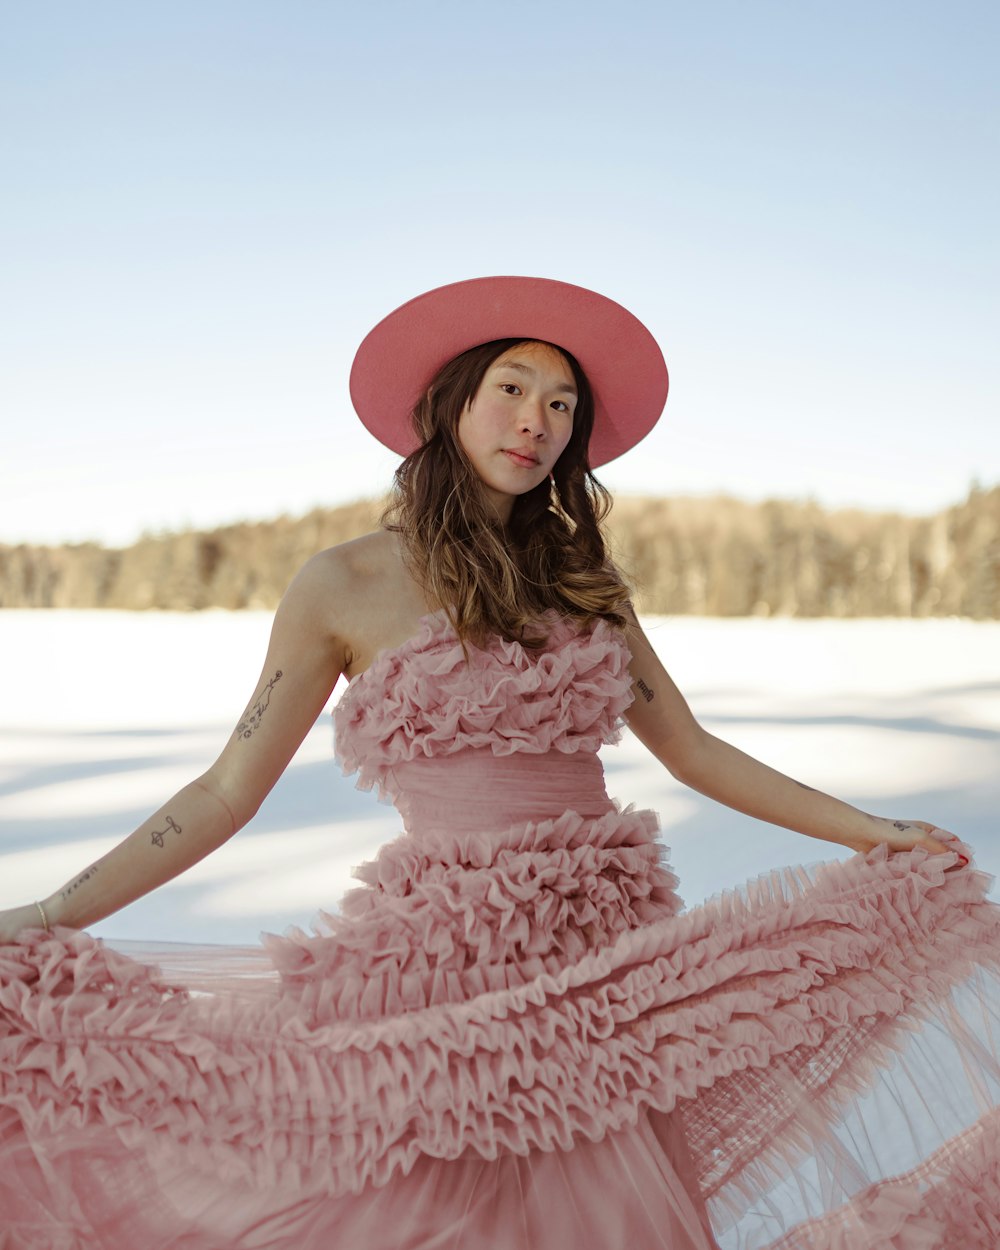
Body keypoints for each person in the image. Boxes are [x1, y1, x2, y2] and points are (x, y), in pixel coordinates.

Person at [0, 275, 997, 1250]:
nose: (538, 420)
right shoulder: (341, 581)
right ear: (453, 401)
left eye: (562, 403)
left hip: (605, 963)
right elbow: (226, 788)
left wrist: (874, 830)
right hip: (438, 972)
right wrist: (53, 911)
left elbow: (689, 747)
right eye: (513, 388)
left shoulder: (582, 579)